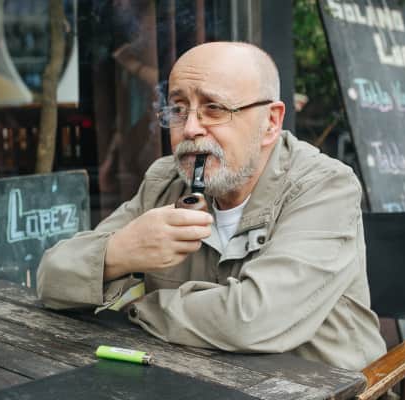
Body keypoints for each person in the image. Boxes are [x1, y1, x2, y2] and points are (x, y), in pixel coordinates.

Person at [37, 41, 386, 370]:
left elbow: (252, 319)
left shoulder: (325, 186)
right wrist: (119, 252)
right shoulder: (166, 180)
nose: (190, 129)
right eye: (178, 109)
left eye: (214, 109)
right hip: (198, 377)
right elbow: (52, 278)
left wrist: (137, 308)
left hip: (322, 385)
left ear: (271, 122)